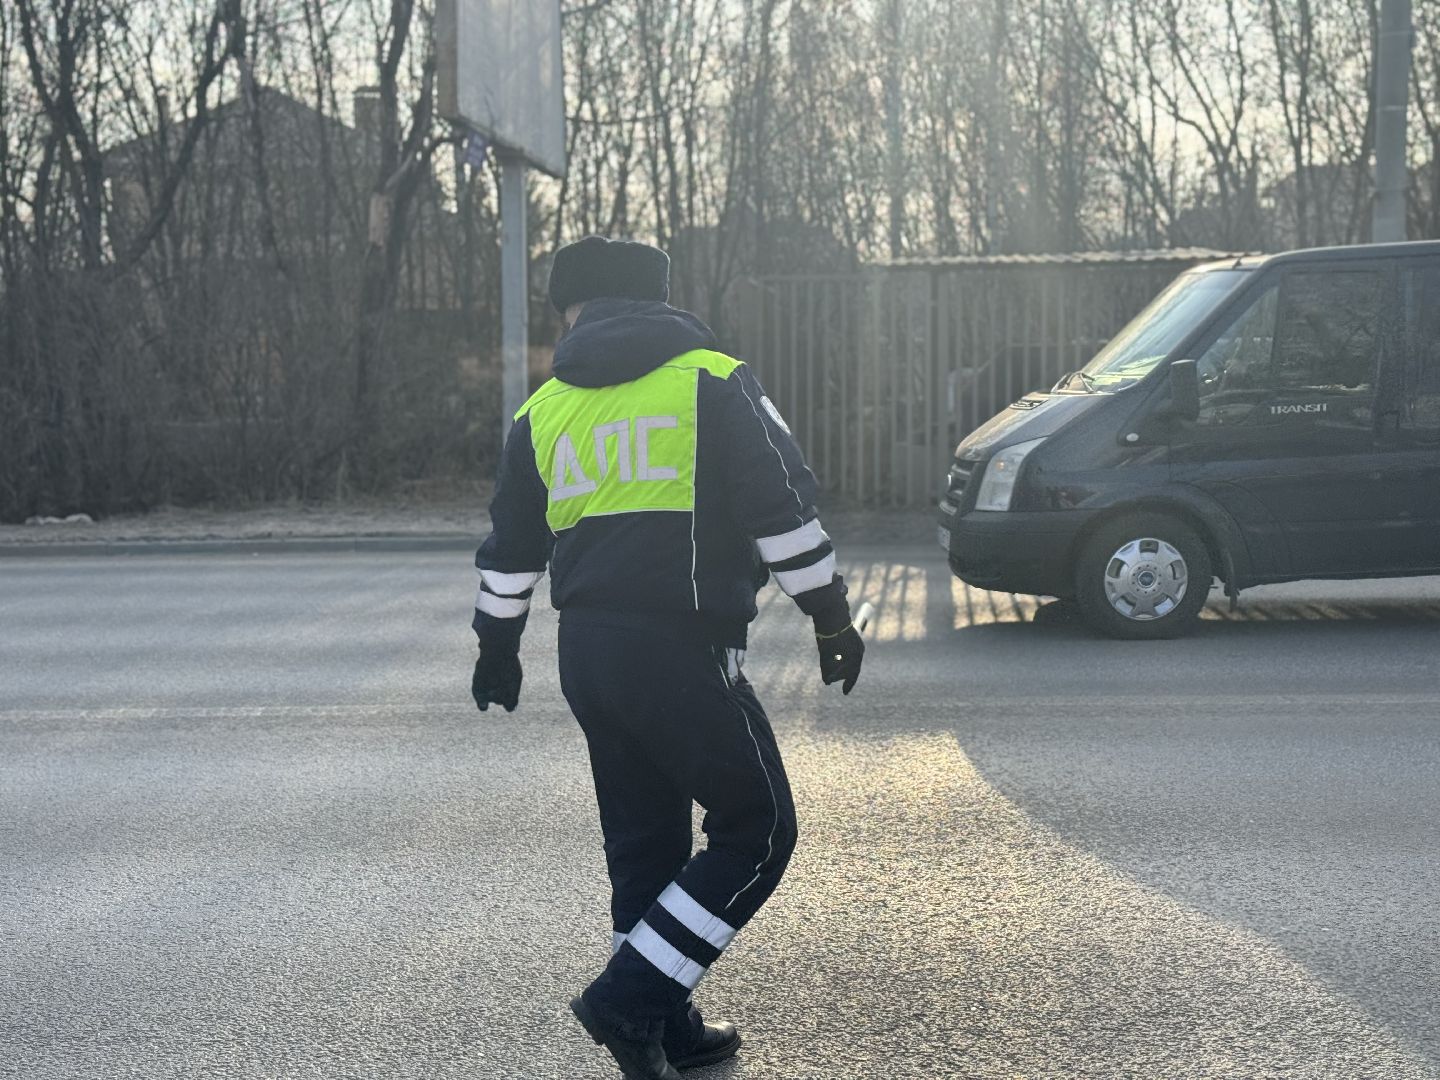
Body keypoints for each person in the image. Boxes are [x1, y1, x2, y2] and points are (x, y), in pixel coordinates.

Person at [470, 235, 864, 1080]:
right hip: (682, 646)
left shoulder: (542, 412)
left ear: (569, 311)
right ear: (660, 298)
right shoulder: (713, 379)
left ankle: (664, 1024)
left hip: (589, 657)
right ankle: (630, 1000)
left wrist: (497, 648)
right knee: (757, 830)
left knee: (644, 843)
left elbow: (510, 550)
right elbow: (782, 514)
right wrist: (831, 618)